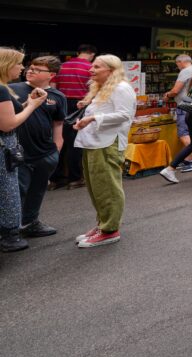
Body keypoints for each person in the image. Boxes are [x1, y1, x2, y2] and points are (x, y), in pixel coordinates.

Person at [72, 54, 136, 248]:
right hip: (95, 142)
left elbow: (125, 115)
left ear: (110, 70)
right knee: (97, 187)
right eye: (93, 66)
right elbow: (108, 111)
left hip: (108, 143)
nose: (91, 70)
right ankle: (103, 224)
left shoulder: (121, 87)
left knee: (107, 187)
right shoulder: (103, 87)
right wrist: (87, 108)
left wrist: (92, 118)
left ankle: (110, 229)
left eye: (97, 67)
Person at [10, 56, 66, 239]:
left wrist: (57, 149)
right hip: (17, 153)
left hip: (45, 153)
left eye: (37, 69)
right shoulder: (13, 89)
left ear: (51, 75)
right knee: (17, 192)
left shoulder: (58, 96)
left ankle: (30, 223)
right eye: (30, 67)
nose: (30, 71)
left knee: (37, 190)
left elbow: (58, 124)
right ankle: (10, 230)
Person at [0, 48, 48, 252]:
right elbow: (8, 124)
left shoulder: (5, 88)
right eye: (19, 63)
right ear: (6, 64)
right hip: (4, 147)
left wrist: (27, 102)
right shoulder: (1, 89)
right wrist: (33, 106)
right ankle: (10, 235)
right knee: (8, 190)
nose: (22, 68)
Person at [51, 44, 95, 190]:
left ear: (77, 53)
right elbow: (93, 89)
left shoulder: (62, 66)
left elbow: (53, 86)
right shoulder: (91, 67)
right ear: (92, 54)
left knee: (58, 140)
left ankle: (56, 178)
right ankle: (75, 178)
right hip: (80, 105)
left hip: (60, 103)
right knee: (75, 142)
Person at [164, 55, 192, 171]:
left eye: (177, 63)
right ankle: (188, 160)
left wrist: (167, 95)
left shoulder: (185, 71)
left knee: (183, 133)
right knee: (190, 132)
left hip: (184, 105)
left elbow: (176, 90)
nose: (177, 66)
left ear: (181, 62)